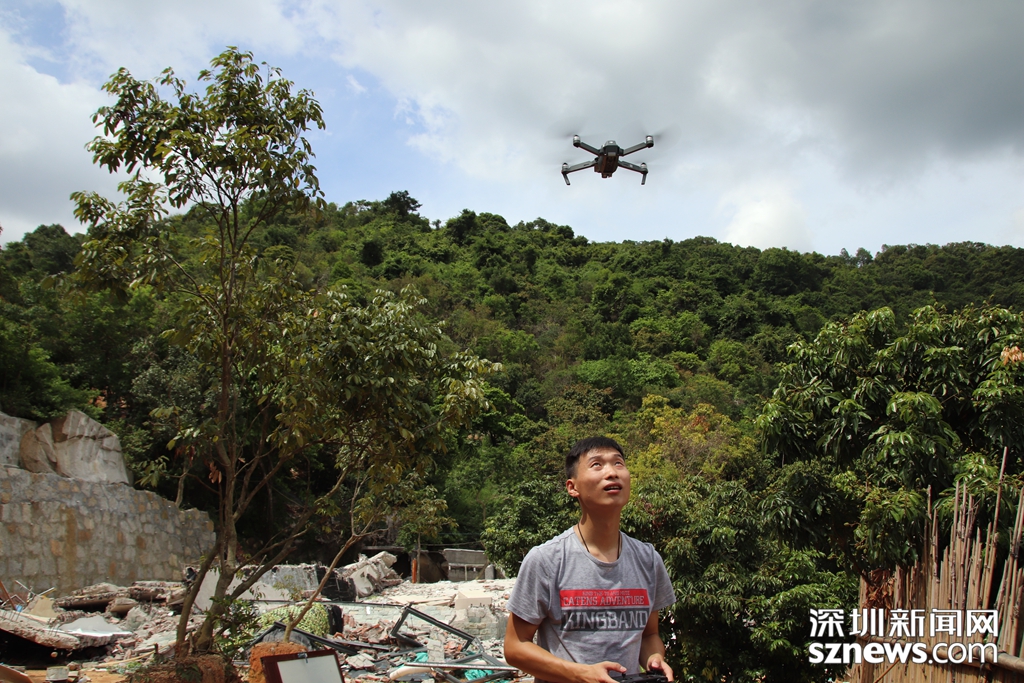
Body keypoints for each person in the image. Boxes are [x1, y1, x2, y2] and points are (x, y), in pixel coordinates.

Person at [503, 436, 676, 683]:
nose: (612, 472)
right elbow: (515, 646)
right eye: (597, 465)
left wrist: (654, 658)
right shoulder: (547, 560)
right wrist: (582, 674)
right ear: (572, 487)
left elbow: (649, 635)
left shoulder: (648, 559)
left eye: (618, 463)